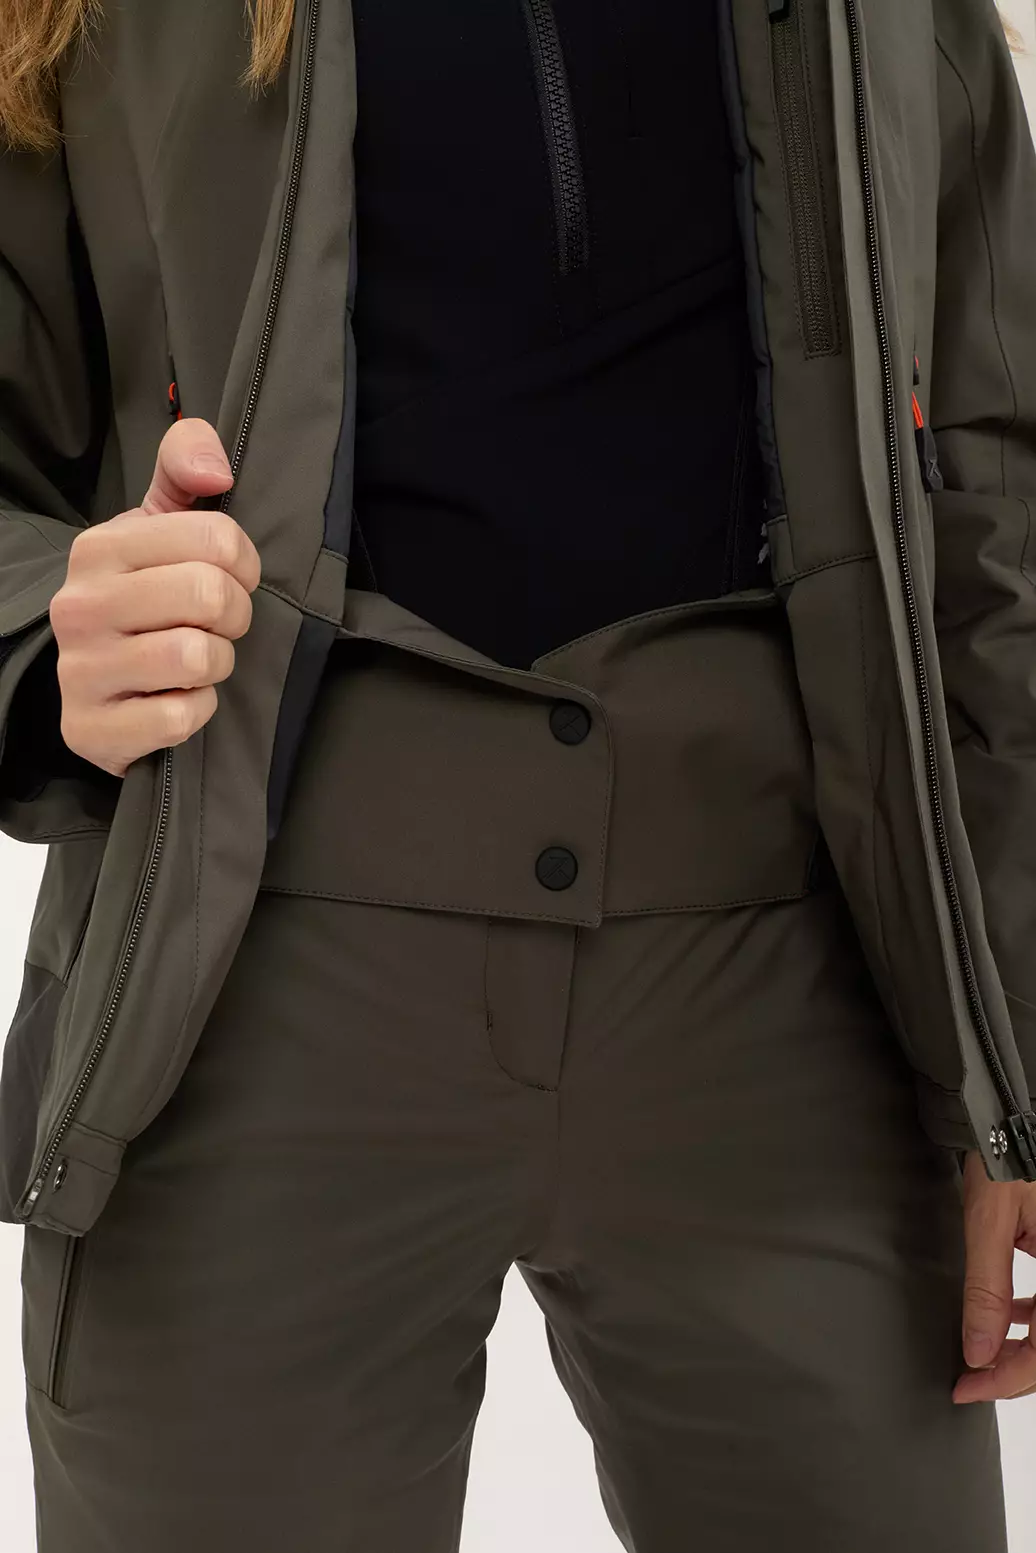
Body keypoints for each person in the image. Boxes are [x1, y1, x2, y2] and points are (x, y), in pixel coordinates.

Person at [0, 1, 1034, 1549]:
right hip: (244, 991)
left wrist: (1018, 1058)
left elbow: (994, 505)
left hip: (797, 999)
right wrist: (50, 634)